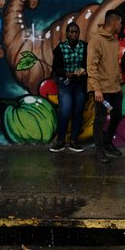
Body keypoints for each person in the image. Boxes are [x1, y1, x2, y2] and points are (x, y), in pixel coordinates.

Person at [87, 9, 124, 163]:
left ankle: (108, 143)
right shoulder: (96, 40)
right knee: (100, 119)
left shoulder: (115, 42)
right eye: (120, 23)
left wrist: (119, 79)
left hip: (115, 88)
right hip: (101, 90)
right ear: (114, 23)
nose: (121, 26)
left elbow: (112, 64)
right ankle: (100, 151)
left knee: (117, 115)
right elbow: (91, 66)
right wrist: (96, 88)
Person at [50, 22, 87, 153]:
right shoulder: (60, 48)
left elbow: (88, 64)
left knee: (78, 112)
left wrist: (84, 71)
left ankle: (74, 142)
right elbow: (55, 68)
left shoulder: (84, 46)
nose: (74, 34)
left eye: (76, 32)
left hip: (80, 83)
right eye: (71, 32)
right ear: (66, 34)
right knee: (65, 112)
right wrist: (66, 74)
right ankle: (60, 141)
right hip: (65, 83)